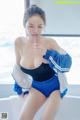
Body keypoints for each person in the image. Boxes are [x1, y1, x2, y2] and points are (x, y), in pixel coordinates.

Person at [13, 5, 72, 120]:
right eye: (31, 26)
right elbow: (18, 69)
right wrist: (21, 91)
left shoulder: (50, 43)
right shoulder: (19, 43)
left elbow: (67, 63)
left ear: (44, 27)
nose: (35, 31)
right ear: (24, 25)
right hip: (36, 88)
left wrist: (48, 54)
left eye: (40, 27)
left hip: (55, 87)